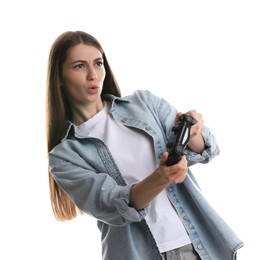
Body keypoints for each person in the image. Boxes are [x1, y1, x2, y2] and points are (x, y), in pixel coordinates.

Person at [46, 30, 243, 260]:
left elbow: (205, 149)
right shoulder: (64, 156)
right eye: (79, 66)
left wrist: (192, 132)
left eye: (98, 63)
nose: (93, 75)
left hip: (197, 245)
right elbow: (112, 205)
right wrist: (162, 176)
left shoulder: (144, 103)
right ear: (59, 77)